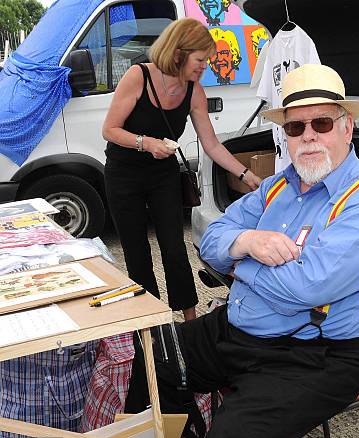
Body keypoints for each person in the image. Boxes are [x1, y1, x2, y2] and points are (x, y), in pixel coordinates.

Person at [126, 63, 359, 438]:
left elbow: (307, 287)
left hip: (312, 355)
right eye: (295, 127)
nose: (308, 136)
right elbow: (209, 240)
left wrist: (239, 261)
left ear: (347, 128)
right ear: (285, 135)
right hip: (238, 329)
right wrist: (248, 240)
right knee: (153, 354)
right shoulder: (276, 186)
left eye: (321, 123)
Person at [102, 18, 261, 321]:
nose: (205, 67)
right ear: (178, 53)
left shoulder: (194, 92)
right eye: (200, 60)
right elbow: (109, 129)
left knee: (174, 250)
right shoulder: (139, 77)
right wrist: (146, 143)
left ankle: (189, 323)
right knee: (137, 256)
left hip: (163, 175)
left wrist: (245, 175)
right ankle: (152, 326)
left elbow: (212, 145)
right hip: (124, 175)